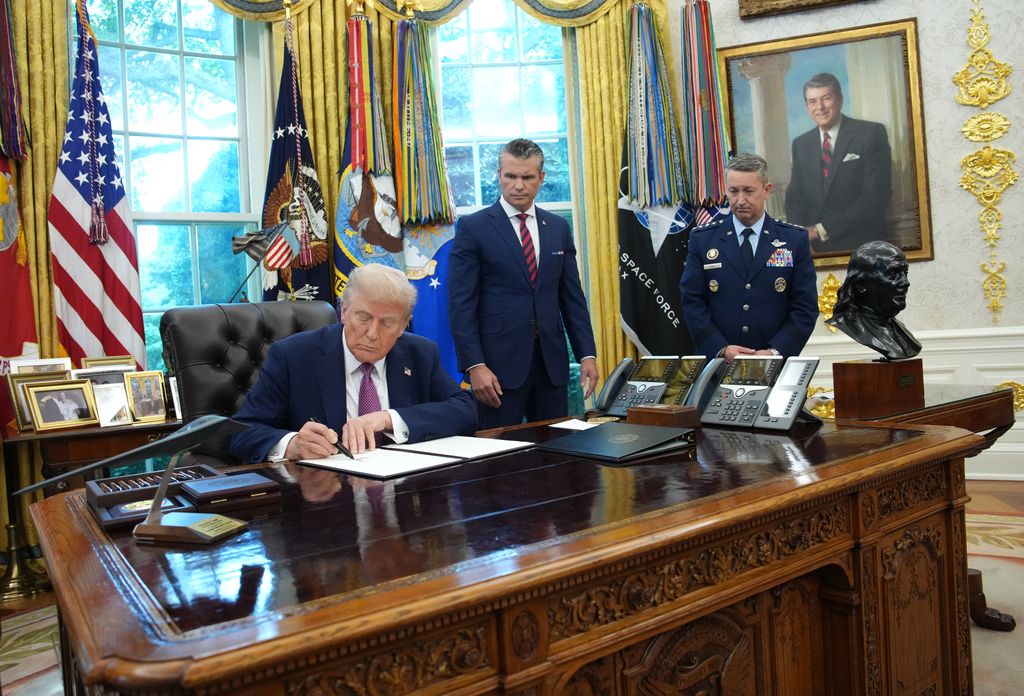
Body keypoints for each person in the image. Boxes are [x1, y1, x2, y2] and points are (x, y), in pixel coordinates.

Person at [228, 264, 478, 463]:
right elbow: (242, 432)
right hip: (324, 497)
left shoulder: (420, 354)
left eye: (387, 323)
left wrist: (389, 419)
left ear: (404, 325)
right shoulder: (293, 356)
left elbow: (465, 411)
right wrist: (291, 444)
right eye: (363, 317)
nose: (372, 333)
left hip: (404, 493)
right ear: (344, 311)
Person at [448, 138, 599, 428]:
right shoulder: (473, 228)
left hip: (551, 367)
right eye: (511, 176)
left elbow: (572, 298)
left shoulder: (557, 227)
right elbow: (460, 304)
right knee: (498, 462)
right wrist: (474, 365)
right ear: (499, 175)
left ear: (541, 178)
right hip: (495, 372)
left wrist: (587, 354)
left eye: (527, 177)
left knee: (556, 454)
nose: (519, 185)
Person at [680, 153, 818, 362]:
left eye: (748, 191)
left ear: (767, 190)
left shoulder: (793, 240)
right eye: (733, 191)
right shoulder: (703, 239)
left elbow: (804, 307)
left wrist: (774, 352)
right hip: (717, 365)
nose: (740, 200)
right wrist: (721, 348)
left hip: (775, 366)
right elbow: (692, 301)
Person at [784, 72, 892, 255]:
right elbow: (794, 198)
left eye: (826, 98)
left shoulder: (870, 134)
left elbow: (876, 196)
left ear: (840, 99)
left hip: (862, 247)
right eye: (812, 101)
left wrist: (820, 230)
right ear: (807, 106)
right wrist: (798, 238)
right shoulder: (801, 144)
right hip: (812, 250)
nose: (820, 107)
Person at [826, 240, 921, 361]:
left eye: (905, 273)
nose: (905, 283)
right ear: (861, 284)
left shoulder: (903, 334)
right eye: (892, 274)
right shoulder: (849, 325)